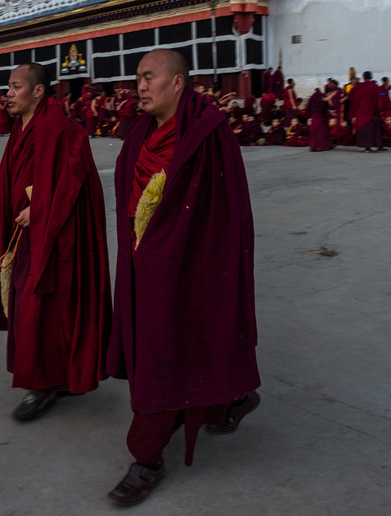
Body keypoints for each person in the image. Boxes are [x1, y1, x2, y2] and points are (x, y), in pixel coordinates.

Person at [106, 49, 260, 507]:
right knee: (183, 345)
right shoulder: (138, 134)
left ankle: (147, 457)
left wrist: (186, 253)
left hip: (188, 259)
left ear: (177, 84)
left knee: (164, 350)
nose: (140, 86)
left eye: (149, 77)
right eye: (137, 78)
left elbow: (228, 209)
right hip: (141, 259)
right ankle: (231, 399)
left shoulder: (209, 135)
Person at [0, 63, 112, 421]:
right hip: (25, 231)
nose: (8, 93)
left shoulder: (58, 126)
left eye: (16, 86)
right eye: (8, 87)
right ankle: (58, 377)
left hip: (54, 235)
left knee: (37, 304)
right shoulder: (21, 128)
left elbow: (75, 176)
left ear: (38, 91)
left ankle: (41, 384)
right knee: (38, 306)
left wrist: (39, 206)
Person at [349, 71, 385, 152]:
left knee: (366, 129)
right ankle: (379, 146)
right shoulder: (375, 86)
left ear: (363, 78)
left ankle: (367, 147)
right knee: (376, 129)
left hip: (361, 112)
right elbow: (380, 99)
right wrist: (380, 110)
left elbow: (351, 96)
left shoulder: (359, 86)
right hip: (373, 112)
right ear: (371, 77)